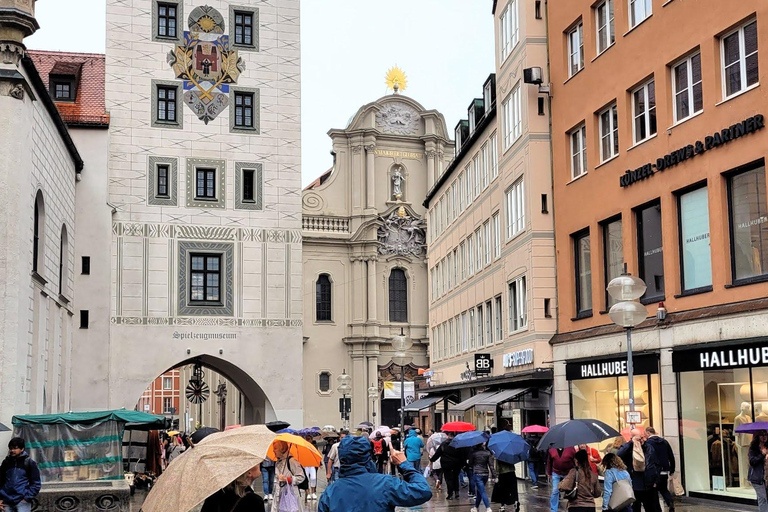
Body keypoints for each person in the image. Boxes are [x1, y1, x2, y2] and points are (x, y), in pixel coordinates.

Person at [318, 435, 432, 512]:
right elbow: (423, 491)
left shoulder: (329, 493)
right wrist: (404, 464)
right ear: (367, 456)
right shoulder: (385, 483)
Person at [617, 428, 660, 512]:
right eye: (638, 438)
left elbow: (656, 464)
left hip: (649, 484)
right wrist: (631, 443)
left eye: (641, 437)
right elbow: (619, 454)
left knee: (651, 507)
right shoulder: (628, 447)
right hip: (634, 484)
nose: (641, 440)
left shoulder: (648, 447)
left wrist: (656, 480)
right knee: (635, 508)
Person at [0, 438, 41, 512]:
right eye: (11, 448)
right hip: (7, 501)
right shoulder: (6, 462)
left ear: (22, 449)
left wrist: (27, 498)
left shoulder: (29, 463)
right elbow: (1, 481)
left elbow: (36, 483)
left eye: (15, 448)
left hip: (22, 501)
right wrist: (0, 498)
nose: (12, 451)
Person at [644, 427, 676, 512]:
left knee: (654, 492)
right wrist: (672, 469)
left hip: (654, 471)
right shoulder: (664, 442)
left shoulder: (648, 443)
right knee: (664, 489)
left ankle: (658, 509)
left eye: (645, 434)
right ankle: (670, 502)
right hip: (664, 470)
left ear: (648, 433)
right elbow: (671, 456)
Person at [430, 432, 467, 500]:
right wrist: (464, 464)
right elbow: (462, 455)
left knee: (449, 479)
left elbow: (437, 454)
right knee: (455, 478)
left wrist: (432, 459)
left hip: (446, 465)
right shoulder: (458, 444)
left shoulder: (443, 444)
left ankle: (450, 494)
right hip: (456, 464)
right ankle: (456, 492)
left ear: (448, 436)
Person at [271, 440, 305, 512]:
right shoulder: (278, 462)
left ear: (282, 449)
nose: (273, 450)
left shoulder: (292, 461)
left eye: (275, 448)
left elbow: (301, 477)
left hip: (290, 495)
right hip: (278, 495)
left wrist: (287, 479)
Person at [546, 446, 577, 512]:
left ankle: (571, 507)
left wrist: (575, 472)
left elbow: (575, 461)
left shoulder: (570, 448)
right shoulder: (551, 449)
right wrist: (549, 472)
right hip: (556, 472)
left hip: (568, 472)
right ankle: (553, 510)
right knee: (555, 491)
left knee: (571, 491)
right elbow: (549, 461)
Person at [468, 443, 496, 512]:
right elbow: (491, 465)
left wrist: (469, 462)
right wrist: (494, 475)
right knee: (479, 491)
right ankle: (475, 507)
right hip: (485, 474)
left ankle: (488, 507)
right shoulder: (487, 453)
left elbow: (470, 464)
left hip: (477, 474)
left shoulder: (473, 453)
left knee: (482, 491)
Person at [748, 430, 768, 512]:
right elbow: (753, 462)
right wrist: (762, 455)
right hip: (757, 477)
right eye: (761, 435)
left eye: (766, 435)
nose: (764, 437)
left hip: (767, 477)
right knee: (763, 498)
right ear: (757, 437)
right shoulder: (754, 448)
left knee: (763, 497)